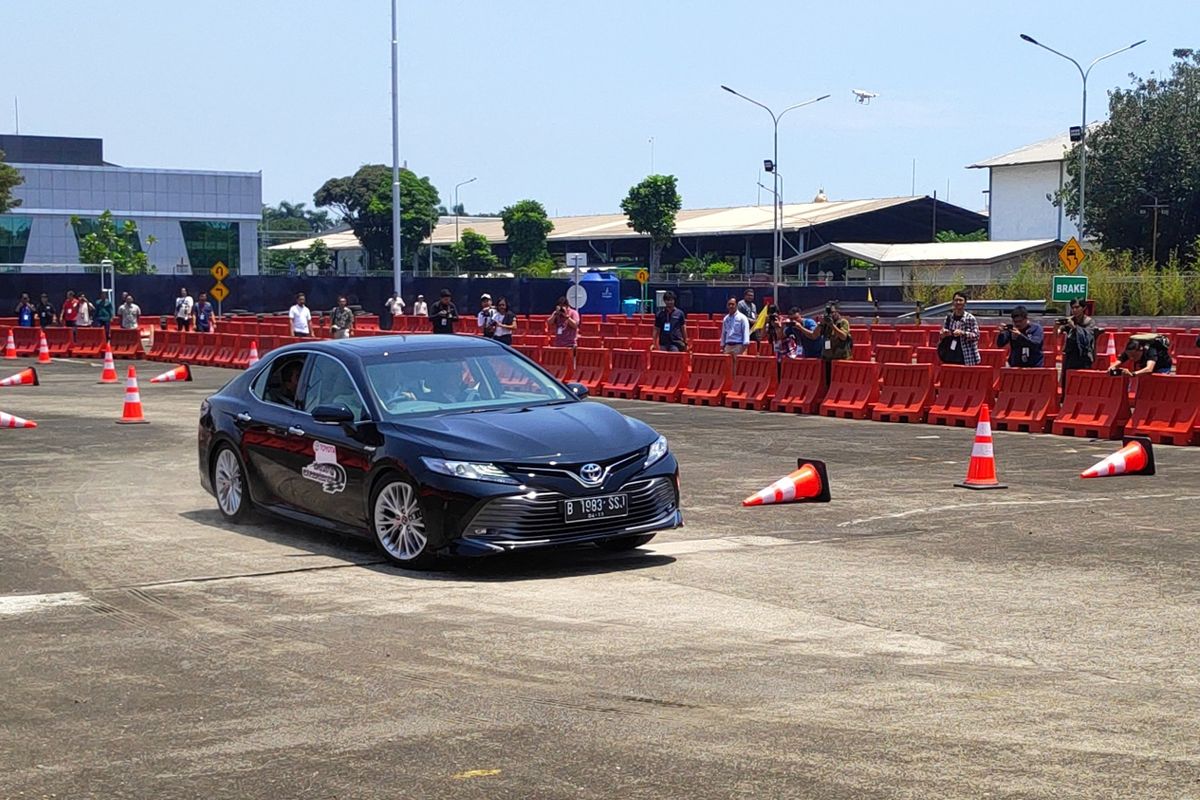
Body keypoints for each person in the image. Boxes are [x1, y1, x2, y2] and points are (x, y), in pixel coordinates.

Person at [938, 291, 980, 366]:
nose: (958, 302)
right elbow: (942, 336)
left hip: (966, 356)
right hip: (950, 355)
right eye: (956, 300)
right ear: (953, 302)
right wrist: (943, 334)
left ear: (965, 303)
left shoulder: (970, 318)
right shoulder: (948, 318)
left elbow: (976, 335)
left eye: (960, 300)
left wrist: (962, 333)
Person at [817, 301, 852, 383]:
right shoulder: (825, 323)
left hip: (840, 357)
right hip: (828, 357)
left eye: (832, 312)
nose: (830, 315)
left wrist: (832, 325)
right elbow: (814, 335)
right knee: (829, 381)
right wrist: (820, 324)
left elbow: (843, 337)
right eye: (828, 313)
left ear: (837, 312)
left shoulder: (843, 322)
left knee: (840, 381)